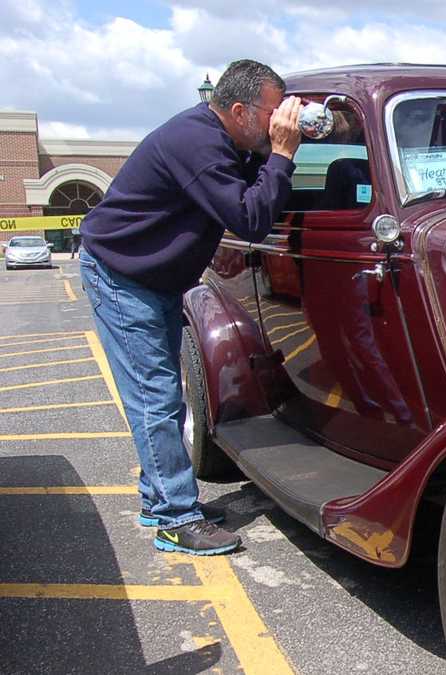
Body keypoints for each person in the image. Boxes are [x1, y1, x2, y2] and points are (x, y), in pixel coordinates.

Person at [79, 60, 302, 556]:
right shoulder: (197, 143)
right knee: (155, 396)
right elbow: (248, 218)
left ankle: (160, 500)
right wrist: (284, 154)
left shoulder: (228, 141)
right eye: (272, 113)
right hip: (123, 274)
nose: (279, 123)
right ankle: (177, 520)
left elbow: (251, 187)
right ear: (240, 110)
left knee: (159, 393)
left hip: (153, 276)